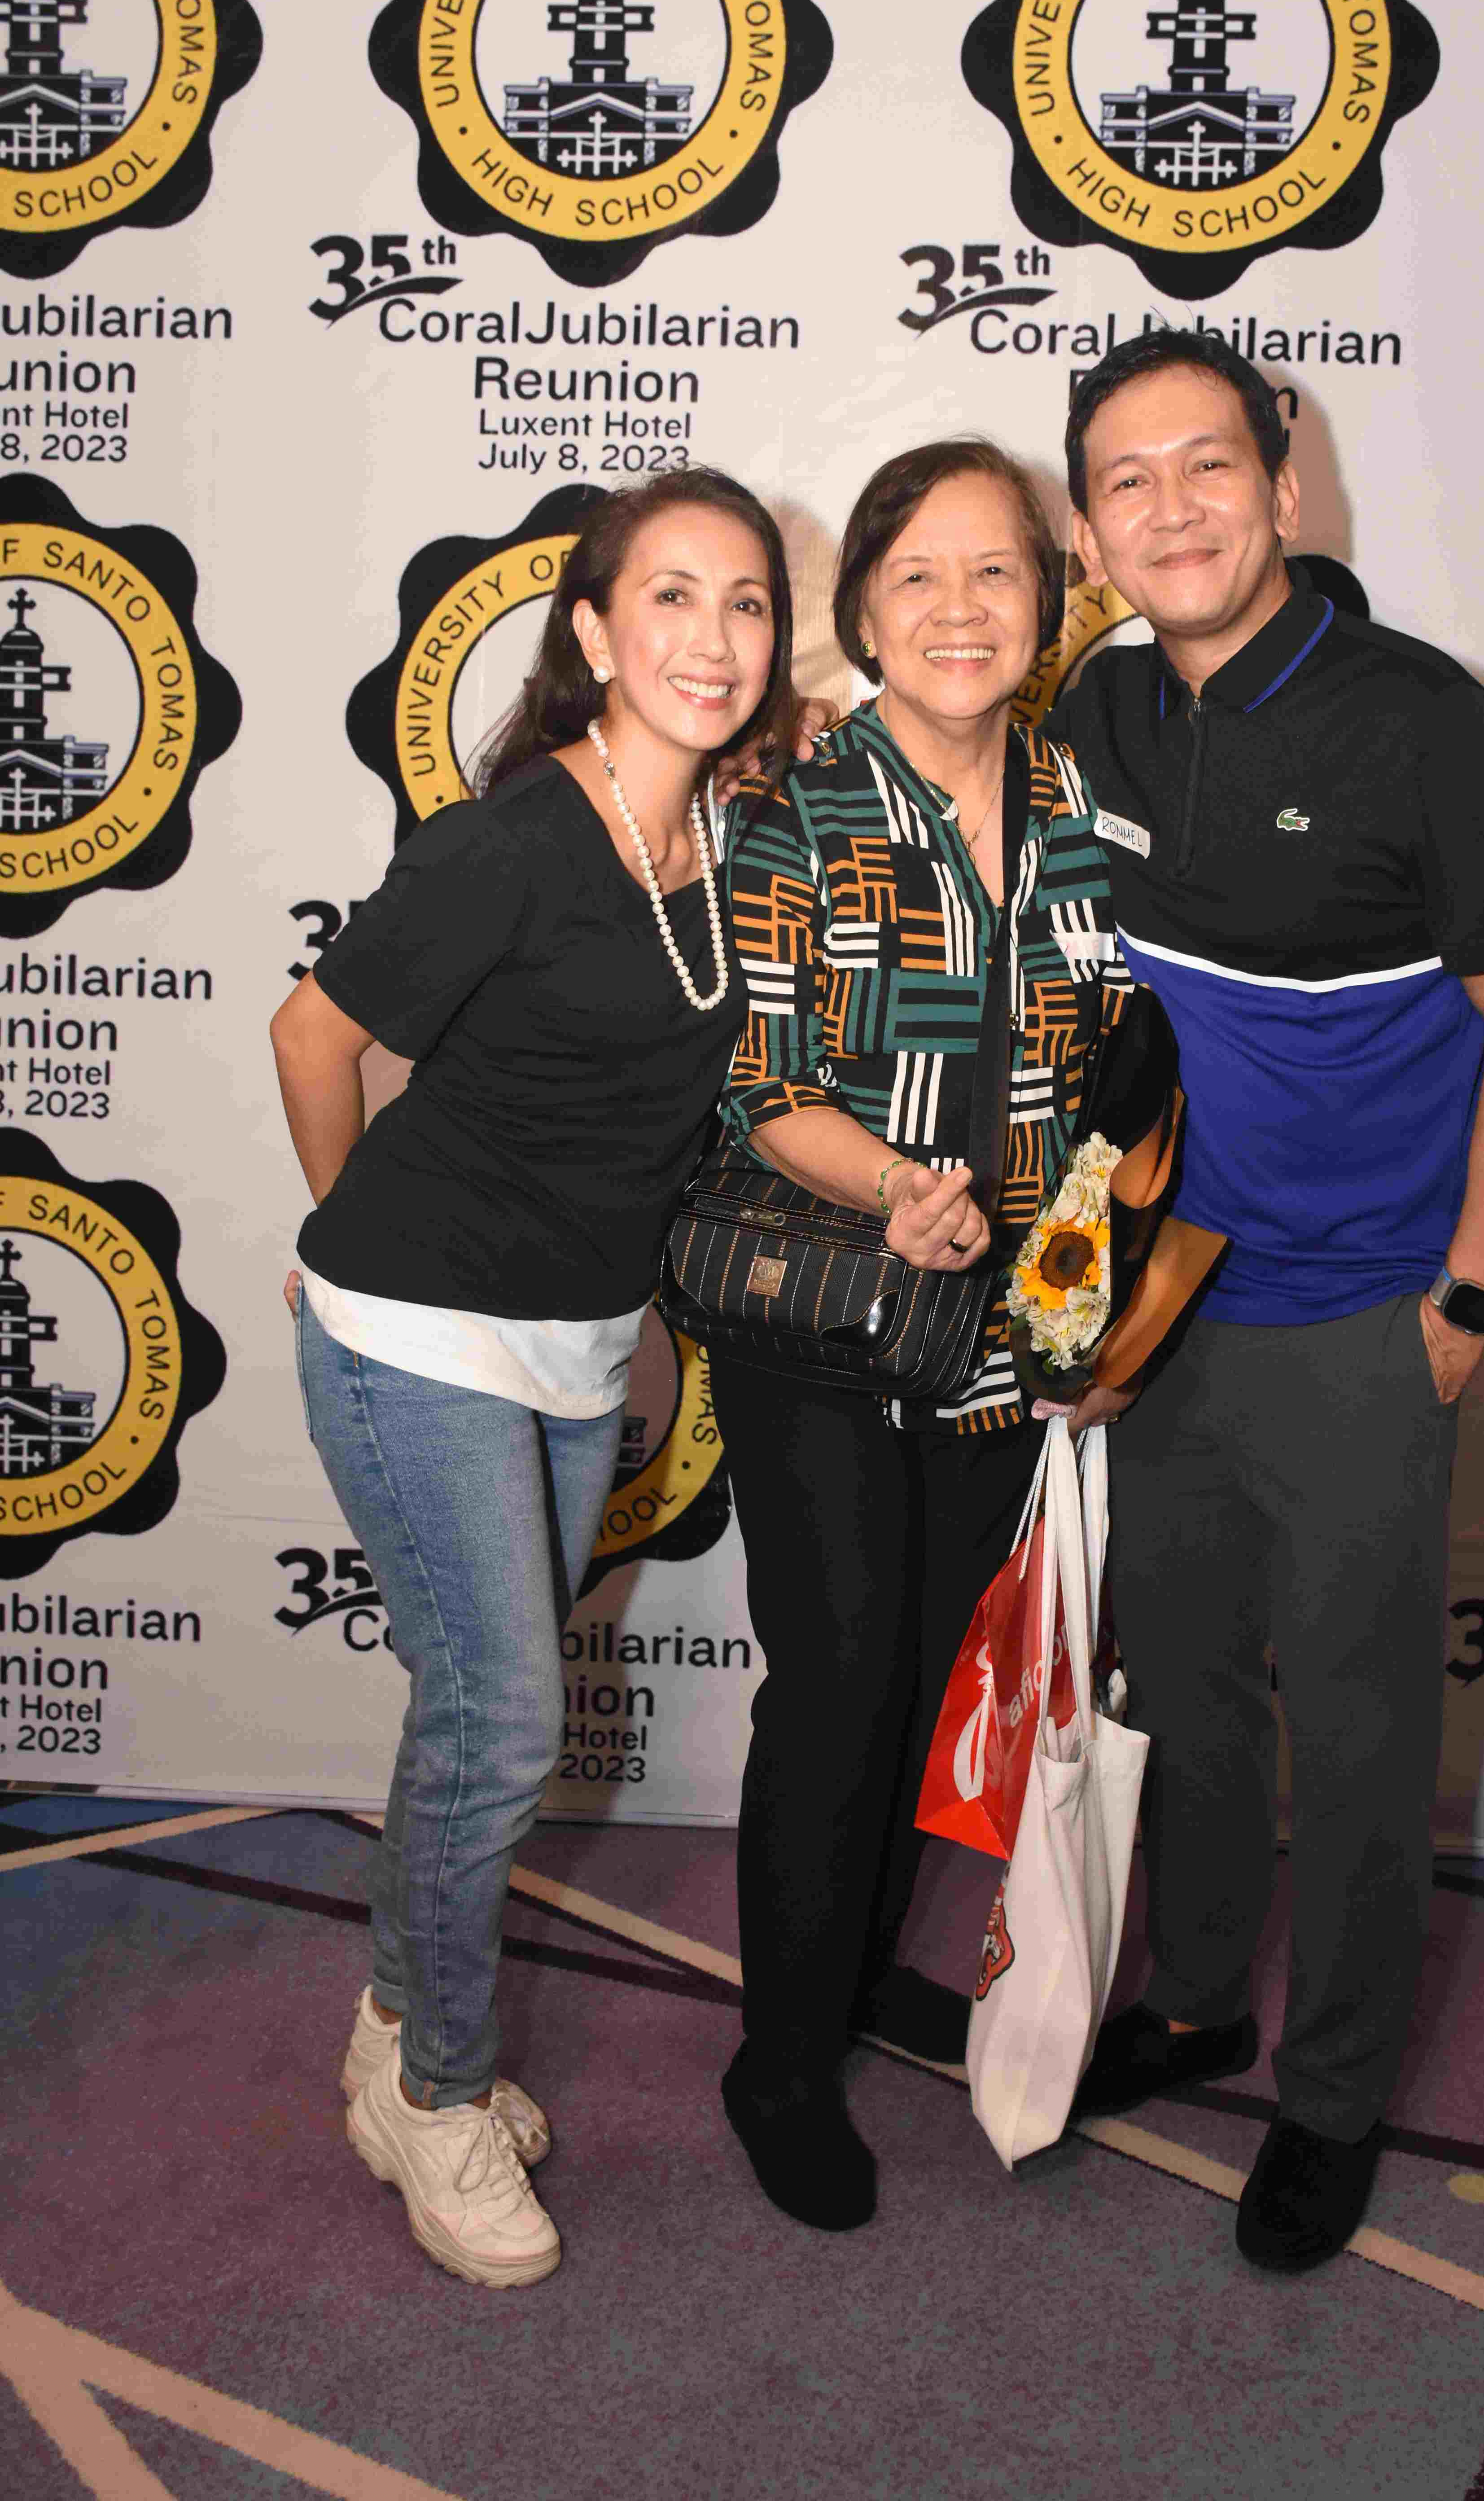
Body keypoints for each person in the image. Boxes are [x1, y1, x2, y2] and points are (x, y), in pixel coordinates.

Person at [1043, 328, 1484, 2270]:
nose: (1173, 508)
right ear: (1089, 534)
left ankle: (1336, 2096)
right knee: (1182, 1693)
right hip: (1165, 1315)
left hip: (1364, 1322)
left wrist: (1467, 1303)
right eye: (1126, 481)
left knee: (1357, 1746)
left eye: (1209, 464)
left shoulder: (1426, 717)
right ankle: (1197, 2004)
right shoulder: (1100, 708)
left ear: (1284, 487)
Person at [270, 469, 790, 2288]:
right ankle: (439, 2092)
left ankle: (392, 2028)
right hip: (417, 1330)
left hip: (577, 1347)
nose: (712, 636)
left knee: (471, 1717)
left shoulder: (724, 839)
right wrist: (348, 1233)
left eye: (746, 602)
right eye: (672, 597)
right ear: (594, 633)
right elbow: (313, 1032)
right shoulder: (512, 841)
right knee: (502, 1723)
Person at [711, 438, 1128, 2231]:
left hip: (1007, 1340)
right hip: (826, 1319)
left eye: (996, 573)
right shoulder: (800, 806)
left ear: (1047, 601)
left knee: (929, 1674)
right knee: (837, 1682)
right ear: (865, 613)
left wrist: (1090, 1292)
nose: (961, 610)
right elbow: (761, 1081)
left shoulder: (1088, 802)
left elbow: (1126, 1061)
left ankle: (855, 1969)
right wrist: (892, 1183)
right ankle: (778, 2065)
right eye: (918, 577)